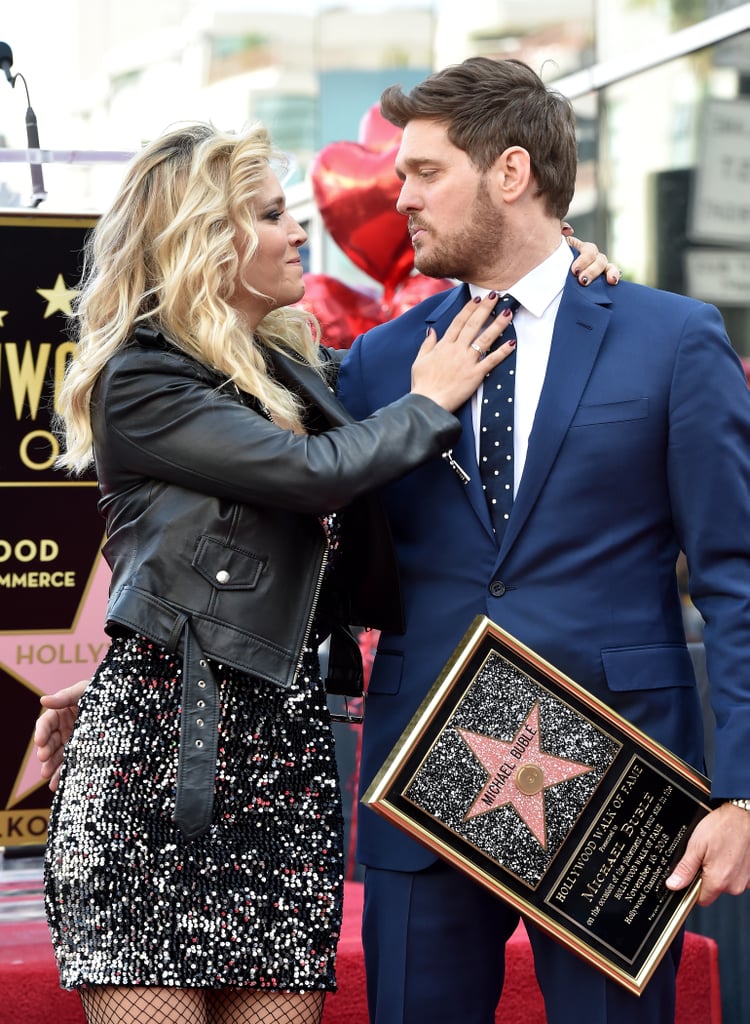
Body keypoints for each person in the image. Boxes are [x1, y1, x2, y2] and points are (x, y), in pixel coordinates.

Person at [37, 117, 613, 1024]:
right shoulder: (141, 381)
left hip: (287, 756)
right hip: (161, 765)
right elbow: (316, 475)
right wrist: (428, 403)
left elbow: (365, 421)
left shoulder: (293, 369)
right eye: (271, 214)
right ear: (205, 240)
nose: (299, 230)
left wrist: (555, 265)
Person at [335, 58, 750, 1024]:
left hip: (615, 775)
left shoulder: (673, 339)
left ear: (511, 172)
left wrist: (743, 795)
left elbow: (737, 579)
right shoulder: (383, 362)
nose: (398, 197)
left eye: (425, 173)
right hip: (420, 769)